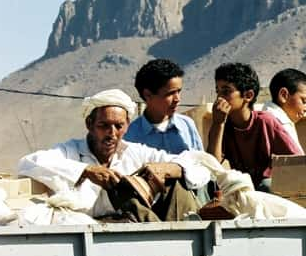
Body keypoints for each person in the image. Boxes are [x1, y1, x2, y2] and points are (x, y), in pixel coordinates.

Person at [18, 89, 210, 222]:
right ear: (89, 124)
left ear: (127, 126)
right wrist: (86, 171)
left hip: (136, 229)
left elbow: (200, 167)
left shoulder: (136, 152)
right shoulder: (71, 151)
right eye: (104, 126)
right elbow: (28, 163)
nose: (112, 133)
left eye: (118, 126)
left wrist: (169, 168)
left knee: (178, 185)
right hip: (90, 230)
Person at [207, 63, 302, 191]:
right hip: (244, 188)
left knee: (266, 185)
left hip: (269, 191)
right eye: (218, 91)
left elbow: (297, 161)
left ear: (248, 96)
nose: (219, 97)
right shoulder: (223, 125)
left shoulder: (265, 121)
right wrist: (218, 124)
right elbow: (213, 165)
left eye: (226, 91)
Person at [126, 59, 203, 154]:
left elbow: (201, 164)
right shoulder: (130, 135)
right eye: (170, 93)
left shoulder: (187, 125)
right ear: (148, 95)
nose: (177, 99)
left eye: (179, 91)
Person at [262, 68, 306, 154]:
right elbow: (297, 160)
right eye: (304, 101)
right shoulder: (279, 124)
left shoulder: (268, 114)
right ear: (284, 95)